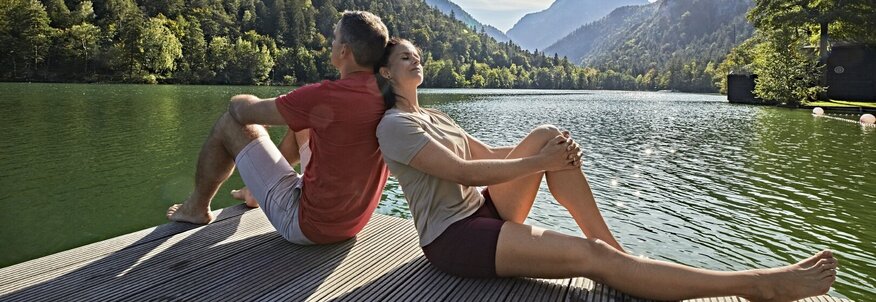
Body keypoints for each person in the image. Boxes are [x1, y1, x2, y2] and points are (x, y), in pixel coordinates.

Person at [374, 38, 837, 301]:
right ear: (387, 73)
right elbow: (463, 172)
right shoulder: (395, 126)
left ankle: (617, 254)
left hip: (486, 210)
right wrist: (540, 163)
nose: (417, 60)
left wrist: (551, 153)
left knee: (547, 133)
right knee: (590, 257)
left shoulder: (434, 116)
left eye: (418, 55)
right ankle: (756, 285)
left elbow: (487, 153)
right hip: (454, 238)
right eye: (405, 57)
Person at [167, 11, 390, 246]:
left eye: (335, 37)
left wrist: (240, 100)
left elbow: (241, 111)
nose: (331, 43)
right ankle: (255, 191)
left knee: (229, 123)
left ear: (344, 51)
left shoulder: (326, 95)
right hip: (352, 223)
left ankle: (196, 208)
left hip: (307, 226)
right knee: (303, 124)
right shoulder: (388, 94)